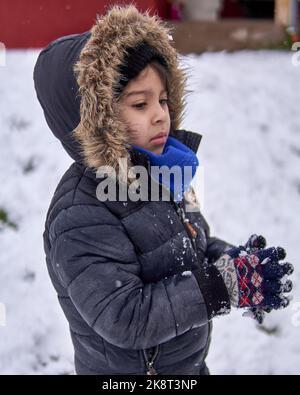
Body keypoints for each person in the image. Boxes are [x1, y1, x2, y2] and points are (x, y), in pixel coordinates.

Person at [33, 4, 293, 375]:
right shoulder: (80, 213)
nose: (160, 115)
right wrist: (222, 286)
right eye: (140, 103)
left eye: (164, 100)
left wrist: (234, 265)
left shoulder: (162, 174)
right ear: (99, 119)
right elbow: (126, 316)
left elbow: (190, 248)